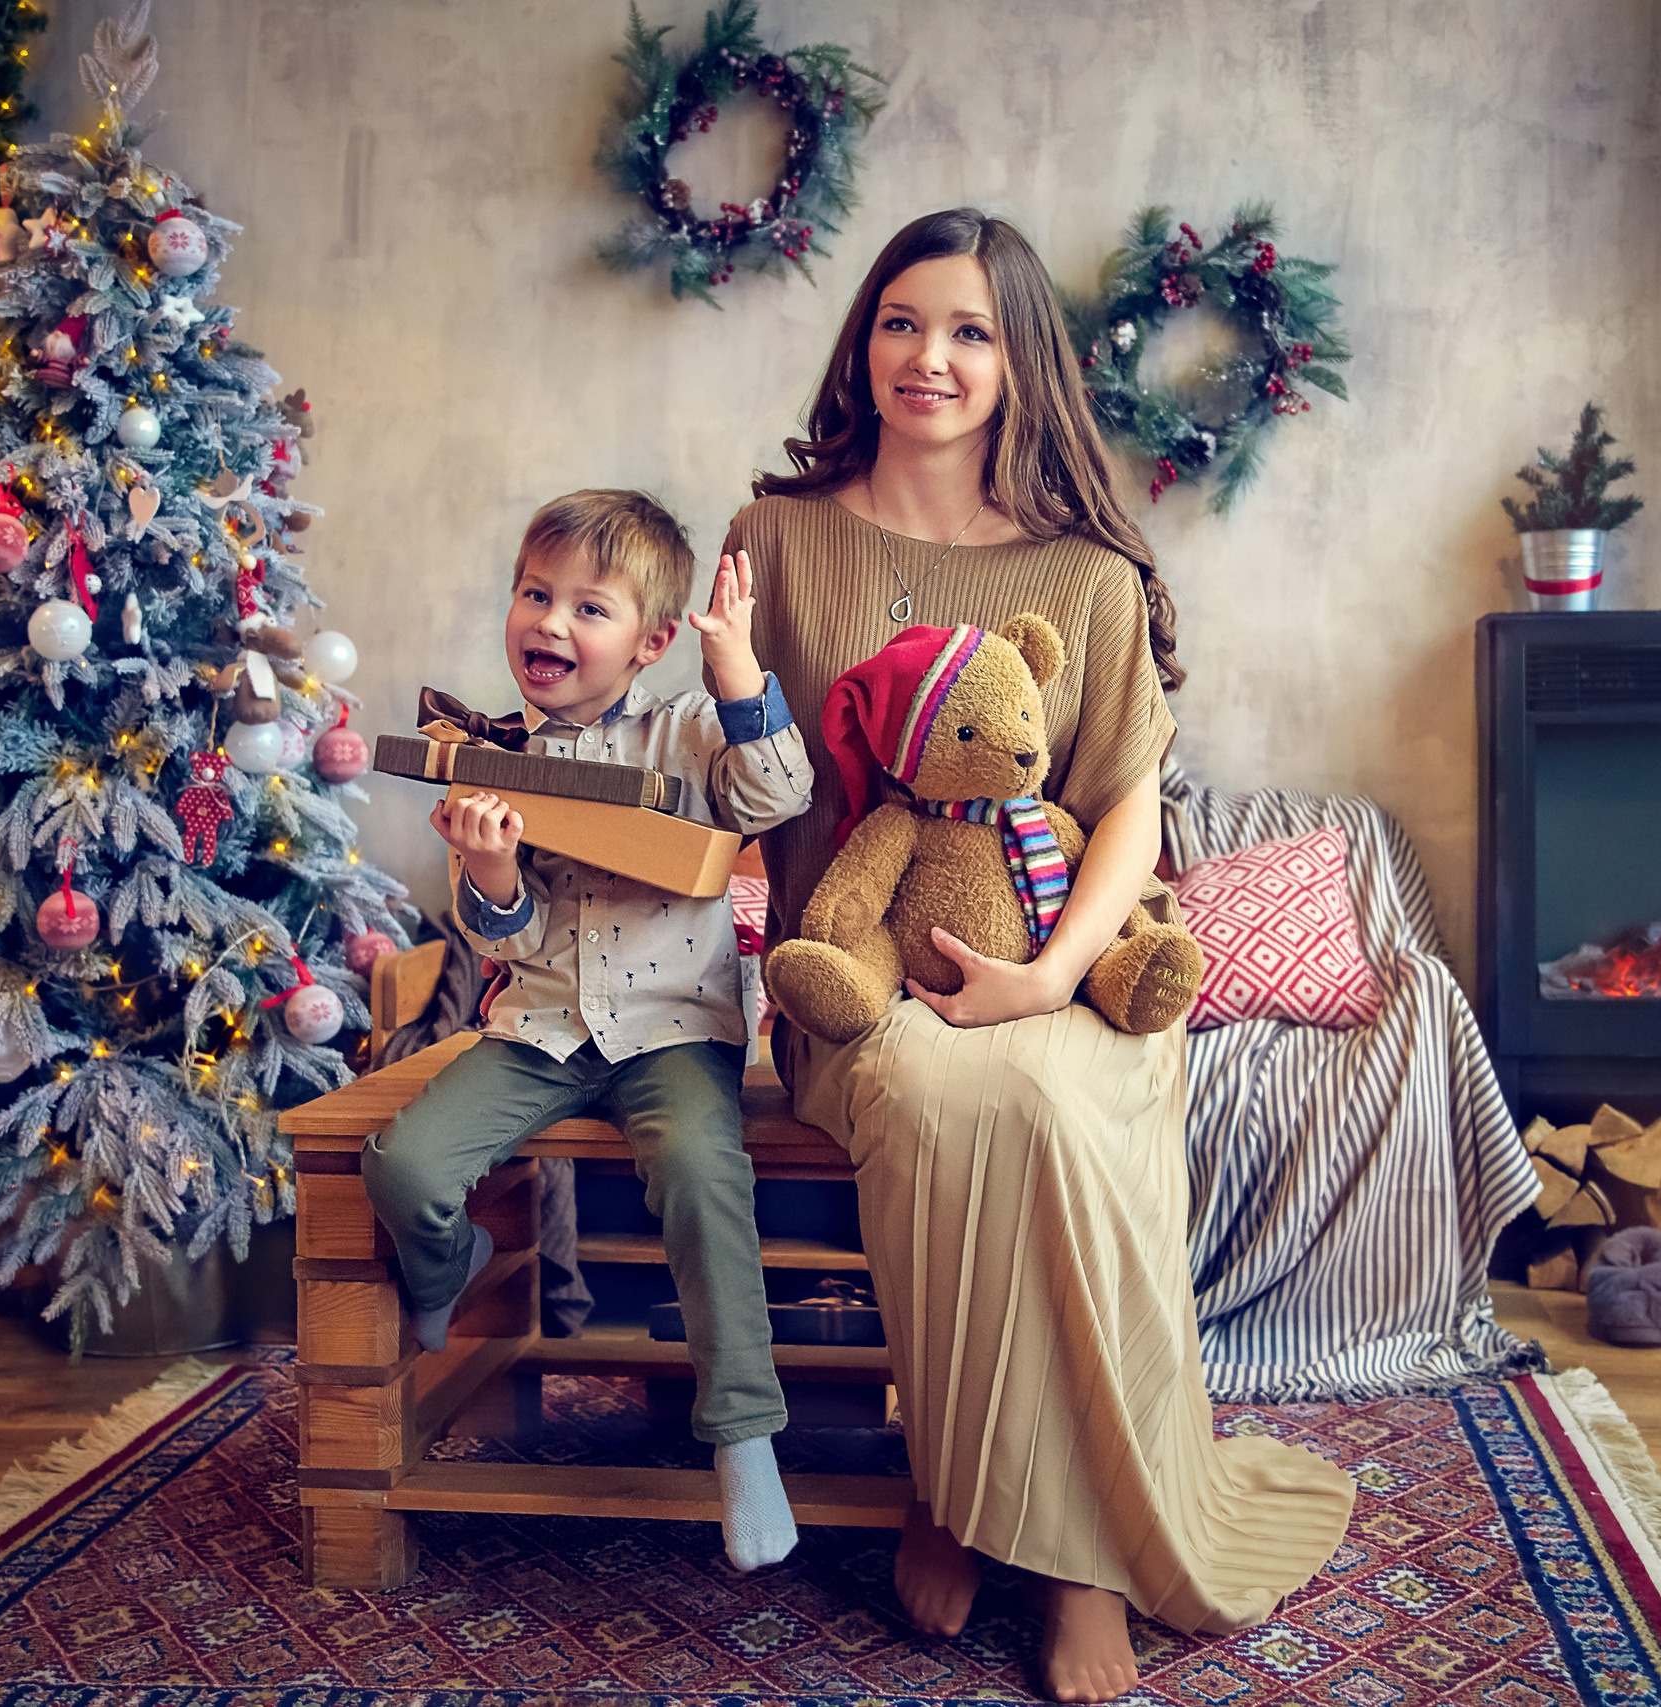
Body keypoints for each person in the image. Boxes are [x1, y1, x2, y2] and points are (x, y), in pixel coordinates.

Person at [724, 211, 1356, 1702]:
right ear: (861, 341)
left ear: (1020, 365)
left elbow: (1131, 800)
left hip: (1066, 962)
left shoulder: (1088, 571)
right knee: (961, 1105)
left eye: (966, 331)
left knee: (1058, 1105)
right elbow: (741, 766)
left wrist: (1058, 973)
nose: (925, 357)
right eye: (899, 322)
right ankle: (963, 1484)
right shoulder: (777, 536)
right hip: (864, 979)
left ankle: (1064, 1554)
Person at [361, 489, 814, 1572]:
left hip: (673, 1033)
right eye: (534, 595)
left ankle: (744, 1440)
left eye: (586, 607)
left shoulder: (690, 730)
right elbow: (502, 939)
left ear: (650, 640)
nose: (550, 624)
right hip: (540, 1029)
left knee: (706, 1179)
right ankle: (449, 1269)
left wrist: (738, 669)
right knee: (405, 1164)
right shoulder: (489, 756)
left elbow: (779, 793)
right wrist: (487, 868)